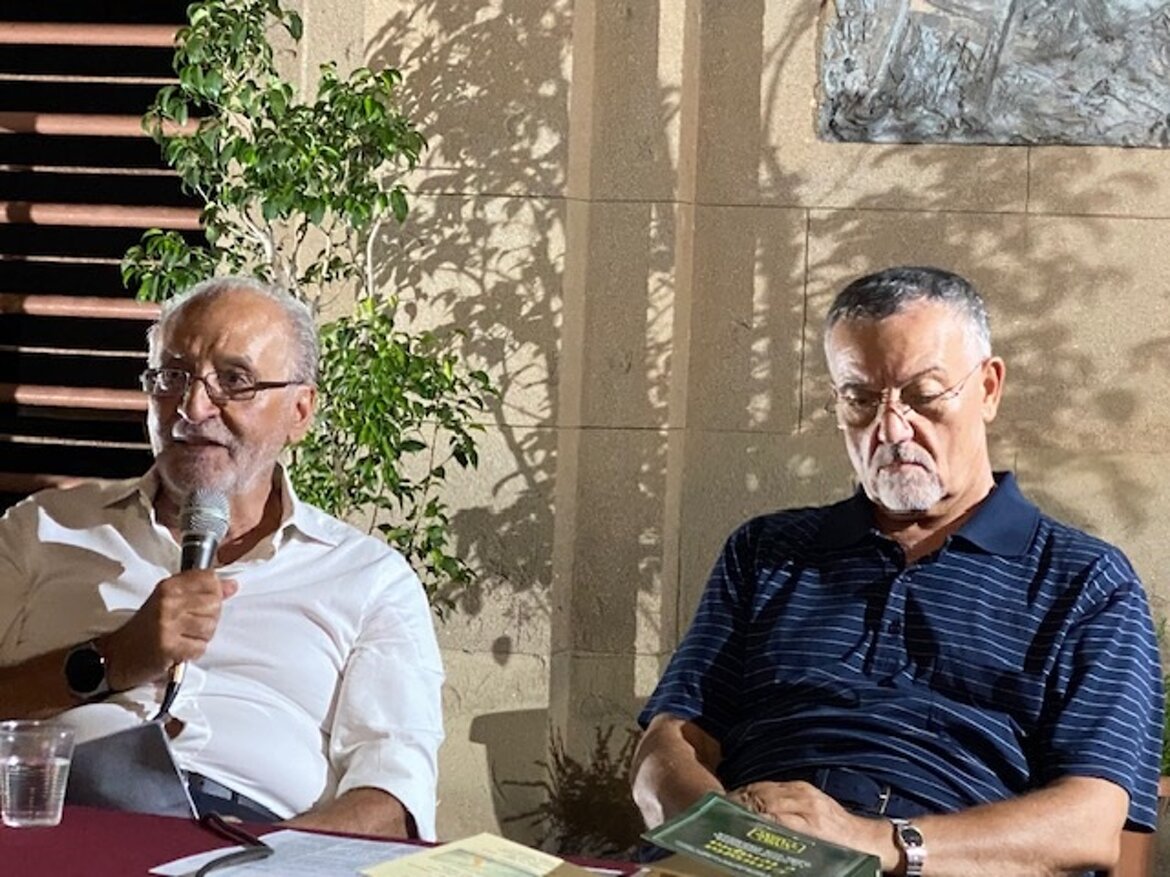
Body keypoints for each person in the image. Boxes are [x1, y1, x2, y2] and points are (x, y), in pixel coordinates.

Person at [631, 266, 1163, 875]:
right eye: (861, 400)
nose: (890, 428)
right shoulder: (767, 552)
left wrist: (878, 843)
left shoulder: (1085, 582)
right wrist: (727, 833)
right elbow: (668, 745)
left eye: (923, 395)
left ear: (988, 388)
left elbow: (1090, 823)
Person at [0, 277, 444, 840]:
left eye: (234, 381)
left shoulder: (369, 579)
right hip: (54, 829)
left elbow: (395, 800)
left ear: (300, 411)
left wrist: (261, 860)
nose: (192, 407)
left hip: (260, 843)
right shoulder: (43, 528)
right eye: (172, 377)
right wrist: (113, 660)